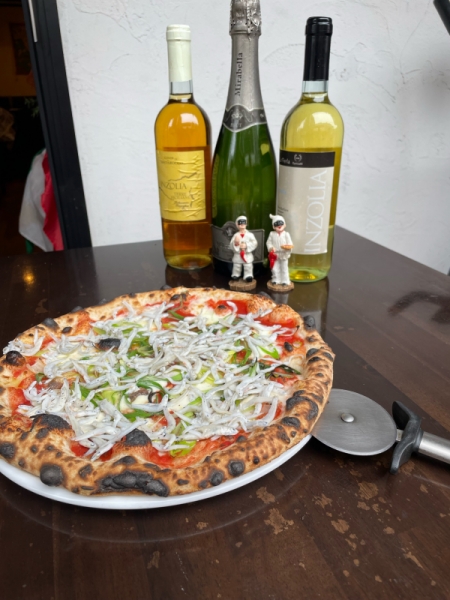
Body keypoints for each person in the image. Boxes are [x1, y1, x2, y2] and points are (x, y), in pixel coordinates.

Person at [266, 214, 293, 286]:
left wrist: (287, 248)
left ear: (284, 225)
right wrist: (271, 248)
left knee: (284, 268)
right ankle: (276, 279)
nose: (279, 225)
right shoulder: (272, 234)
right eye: (276, 224)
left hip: (284, 253)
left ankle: (285, 281)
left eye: (281, 223)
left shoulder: (286, 234)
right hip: (275, 254)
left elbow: (290, 243)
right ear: (273, 226)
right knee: (275, 268)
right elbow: (268, 242)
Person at [229, 216, 258, 282]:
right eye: (240, 223)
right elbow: (231, 245)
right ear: (237, 225)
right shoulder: (236, 235)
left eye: (244, 223)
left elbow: (255, 243)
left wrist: (246, 245)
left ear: (246, 224)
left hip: (247, 255)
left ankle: (248, 275)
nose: (242, 224)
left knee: (248, 266)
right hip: (238, 255)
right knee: (237, 265)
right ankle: (236, 275)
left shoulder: (250, 235)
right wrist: (236, 243)